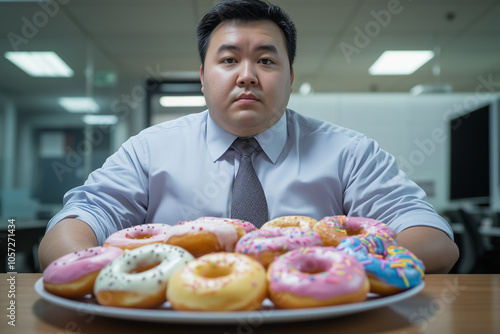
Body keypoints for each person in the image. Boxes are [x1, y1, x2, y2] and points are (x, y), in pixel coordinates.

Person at [38, 0, 459, 273]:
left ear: (290, 77)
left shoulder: (350, 153)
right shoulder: (148, 150)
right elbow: (76, 225)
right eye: (228, 59)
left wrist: (328, 270)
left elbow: (433, 238)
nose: (247, 76)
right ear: (203, 78)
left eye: (265, 59)